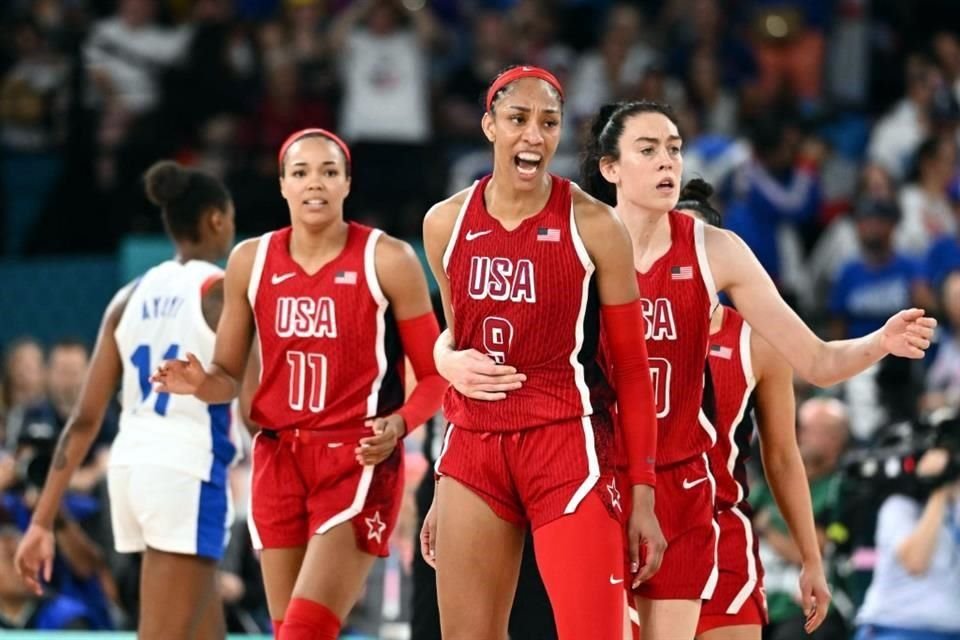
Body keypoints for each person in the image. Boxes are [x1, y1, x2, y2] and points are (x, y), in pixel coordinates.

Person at [581, 100, 934, 639]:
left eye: (674, 150)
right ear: (611, 168)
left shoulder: (720, 261)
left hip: (694, 500)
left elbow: (815, 365)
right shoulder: (582, 244)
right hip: (599, 487)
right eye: (649, 151)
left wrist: (879, 341)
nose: (667, 164)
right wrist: (448, 358)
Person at [151, 127, 446, 640]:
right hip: (277, 460)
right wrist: (199, 382)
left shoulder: (388, 259)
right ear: (283, 184)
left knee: (304, 631)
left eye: (329, 172)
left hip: (357, 460)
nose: (316, 183)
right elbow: (225, 376)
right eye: (302, 172)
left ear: (347, 183)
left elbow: (438, 375)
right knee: (289, 628)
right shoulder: (250, 261)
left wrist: (398, 425)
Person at [419, 65, 664, 640]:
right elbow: (459, 339)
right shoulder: (445, 223)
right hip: (473, 448)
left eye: (548, 122)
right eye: (518, 119)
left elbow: (631, 369)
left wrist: (643, 495)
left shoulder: (596, 225)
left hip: (566, 444)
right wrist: (442, 361)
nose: (534, 134)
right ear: (489, 126)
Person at [14, 160, 238, 639]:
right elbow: (257, 403)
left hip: (131, 470)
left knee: (206, 632)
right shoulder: (220, 292)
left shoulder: (127, 296)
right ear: (216, 219)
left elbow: (83, 419)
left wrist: (41, 520)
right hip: (186, 470)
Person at [674, 180, 831, 640]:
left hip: (721, 534)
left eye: (699, 246)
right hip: (641, 536)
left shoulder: (756, 341)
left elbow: (782, 456)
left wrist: (811, 558)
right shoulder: (622, 324)